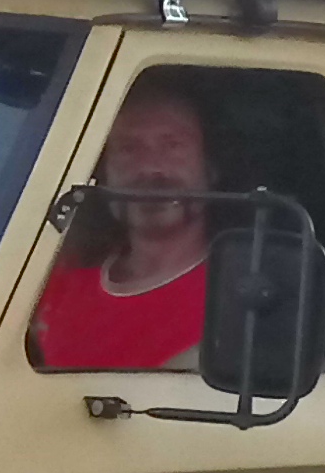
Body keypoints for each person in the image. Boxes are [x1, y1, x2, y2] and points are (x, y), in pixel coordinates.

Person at [33, 77, 216, 369]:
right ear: (104, 174)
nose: (150, 168)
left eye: (173, 145)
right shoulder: (54, 281)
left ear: (210, 167)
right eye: (129, 148)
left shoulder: (241, 292)